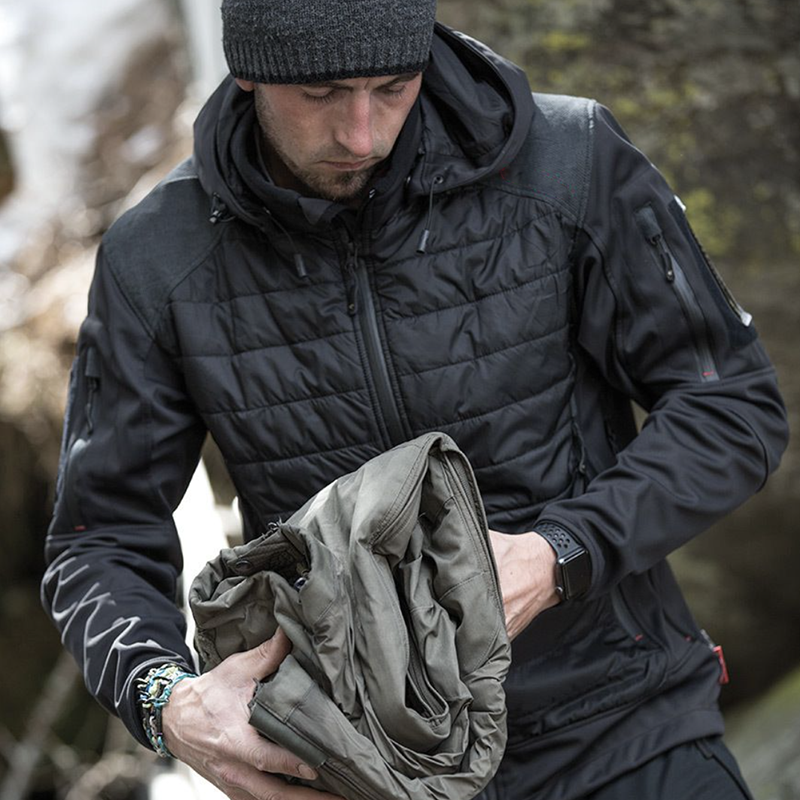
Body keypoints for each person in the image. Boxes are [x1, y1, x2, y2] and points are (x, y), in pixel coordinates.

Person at [41, 1, 789, 799]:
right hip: (365, 771)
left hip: (629, 734)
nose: (362, 133)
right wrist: (168, 704)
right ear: (251, 68)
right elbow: (99, 537)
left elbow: (732, 407)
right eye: (324, 94)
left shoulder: (572, 163)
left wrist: (560, 552)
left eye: (393, 86)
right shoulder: (156, 257)